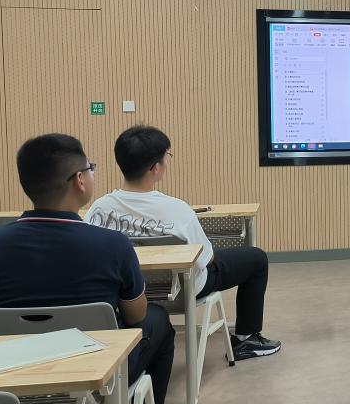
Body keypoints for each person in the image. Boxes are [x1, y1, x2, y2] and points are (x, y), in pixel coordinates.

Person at [0, 133, 175, 404]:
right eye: (90, 168)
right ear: (79, 180)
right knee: (158, 320)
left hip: (15, 375)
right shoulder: (112, 245)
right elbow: (136, 316)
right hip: (96, 373)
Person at [86, 126, 280, 361]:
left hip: (125, 295)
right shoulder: (177, 209)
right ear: (155, 168)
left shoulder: (99, 208)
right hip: (180, 292)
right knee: (256, 258)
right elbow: (206, 259)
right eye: (166, 157)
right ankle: (246, 339)